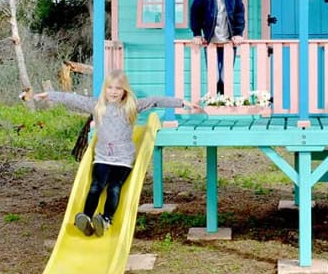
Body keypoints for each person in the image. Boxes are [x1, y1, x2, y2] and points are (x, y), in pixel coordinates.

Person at [23, 70, 201, 236]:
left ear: (124, 91)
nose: (114, 92)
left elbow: (155, 100)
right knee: (96, 186)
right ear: (105, 89)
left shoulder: (131, 106)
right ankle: (86, 217)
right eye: (110, 88)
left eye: (118, 88)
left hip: (123, 159)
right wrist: (49, 95)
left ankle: (106, 219)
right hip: (102, 157)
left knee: (114, 187)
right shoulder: (96, 105)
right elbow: (72, 99)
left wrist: (182, 103)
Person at [189, 0, 246, 94]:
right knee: (213, 74)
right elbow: (195, 13)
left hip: (229, 39)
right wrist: (196, 33)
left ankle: (225, 98)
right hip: (211, 40)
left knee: (226, 74)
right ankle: (214, 98)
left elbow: (239, 12)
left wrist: (238, 33)